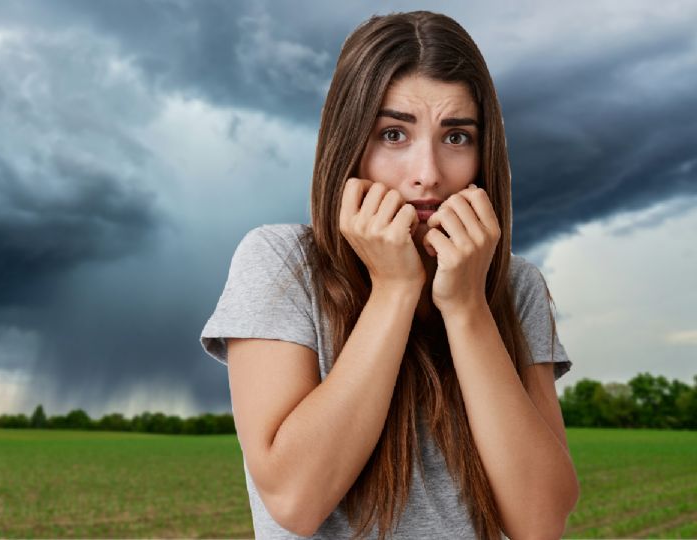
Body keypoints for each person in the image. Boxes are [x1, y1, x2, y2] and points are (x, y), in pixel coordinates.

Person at [199, 10, 579, 540]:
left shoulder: (517, 286)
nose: (428, 173)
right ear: (348, 147)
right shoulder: (280, 262)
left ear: (483, 154)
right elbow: (294, 499)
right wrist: (395, 290)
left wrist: (467, 307)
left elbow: (540, 523)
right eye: (394, 134)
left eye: (456, 137)